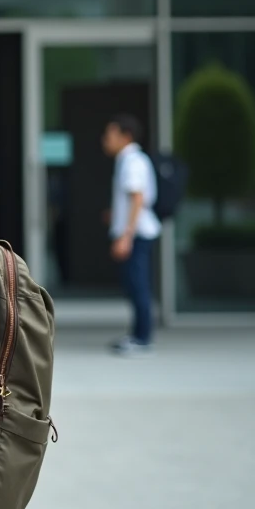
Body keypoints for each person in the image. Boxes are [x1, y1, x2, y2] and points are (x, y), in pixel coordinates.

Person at [101, 114, 161, 357]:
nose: (105, 140)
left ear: (126, 137)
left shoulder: (132, 161)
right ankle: (138, 334)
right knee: (135, 285)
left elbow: (137, 198)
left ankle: (143, 338)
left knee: (138, 286)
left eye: (110, 135)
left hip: (137, 234)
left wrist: (126, 235)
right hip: (136, 232)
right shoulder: (130, 159)